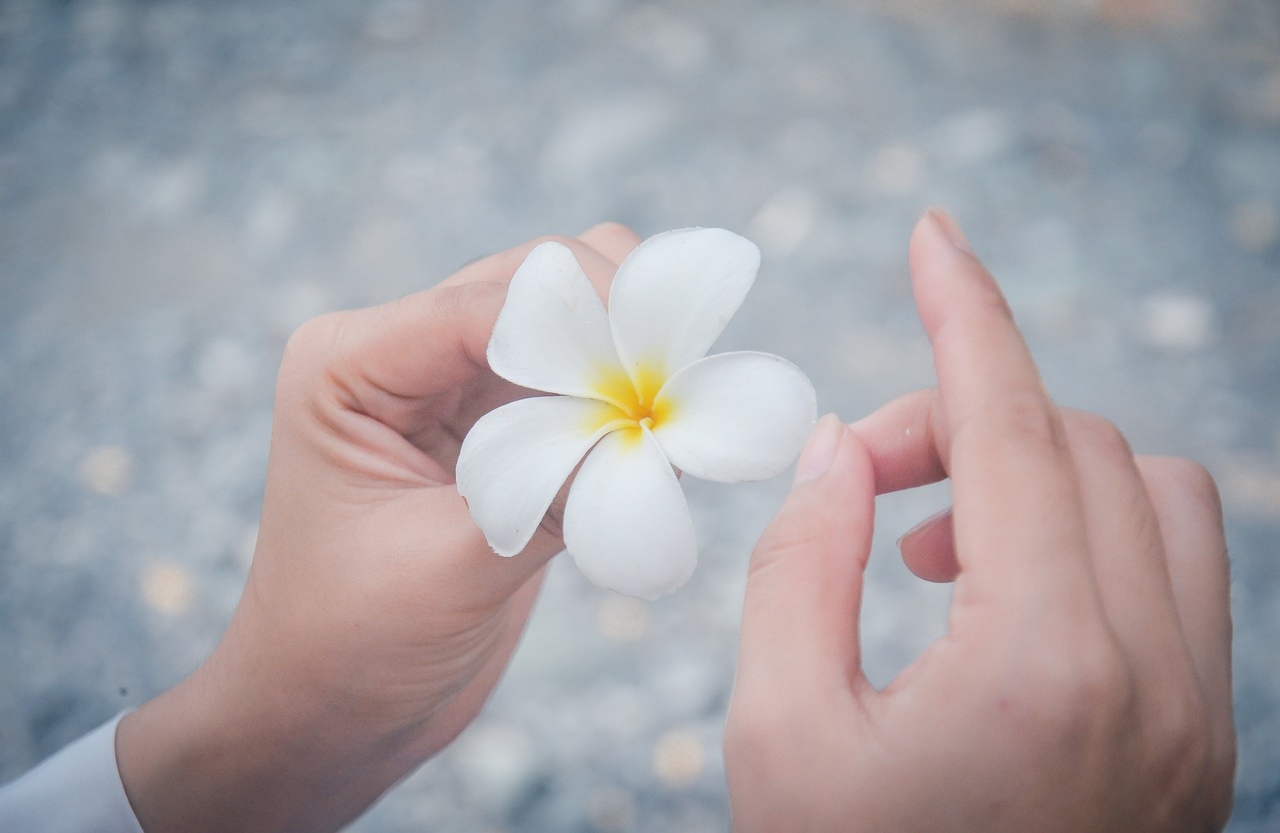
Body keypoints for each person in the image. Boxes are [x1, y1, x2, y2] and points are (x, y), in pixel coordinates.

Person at [0, 211, 1235, 832]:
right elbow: (539, 496)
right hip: (613, 428)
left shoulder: (624, 388)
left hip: (628, 415)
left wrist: (246, 747)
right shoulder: (554, 450)